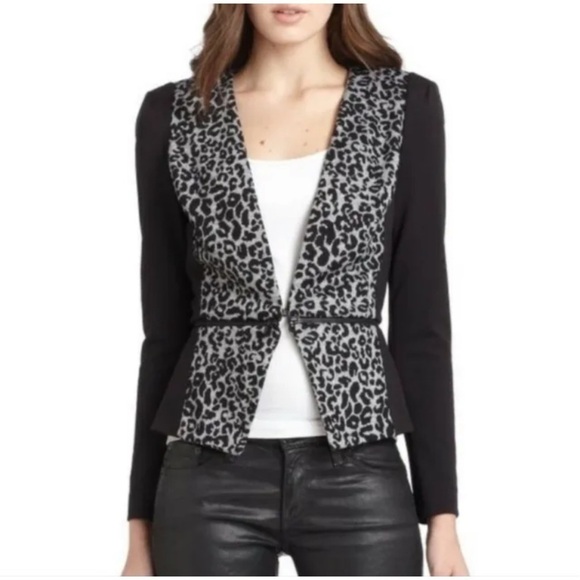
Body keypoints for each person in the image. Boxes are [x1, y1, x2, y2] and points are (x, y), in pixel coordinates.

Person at [121, 3, 469, 576]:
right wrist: (139, 526)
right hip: (207, 477)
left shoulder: (404, 107)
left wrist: (443, 516)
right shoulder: (175, 113)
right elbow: (162, 331)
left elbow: (422, 322)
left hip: (359, 470)